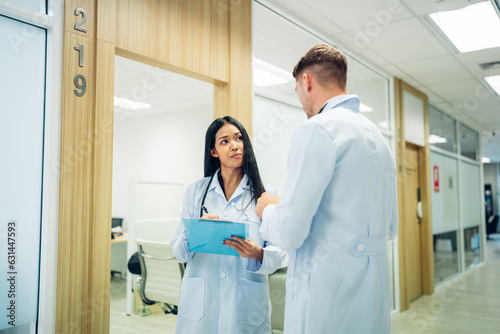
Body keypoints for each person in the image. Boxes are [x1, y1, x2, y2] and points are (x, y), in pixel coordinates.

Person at [255, 44, 398, 333]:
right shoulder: (378, 139)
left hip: (325, 301)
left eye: (296, 90)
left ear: (306, 81)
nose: (300, 100)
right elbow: (391, 227)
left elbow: (289, 232)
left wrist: (268, 208)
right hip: (371, 299)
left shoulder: (317, 129)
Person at [172, 116, 286, 334]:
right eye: (224, 141)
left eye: (239, 138)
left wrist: (258, 253)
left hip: (245, 304)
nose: (234, 145)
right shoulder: (196, 192)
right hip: (201, 305)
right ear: (213, 151)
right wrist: (195, 233)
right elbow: (179, 252)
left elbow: (280, 251)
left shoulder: (266, 194)